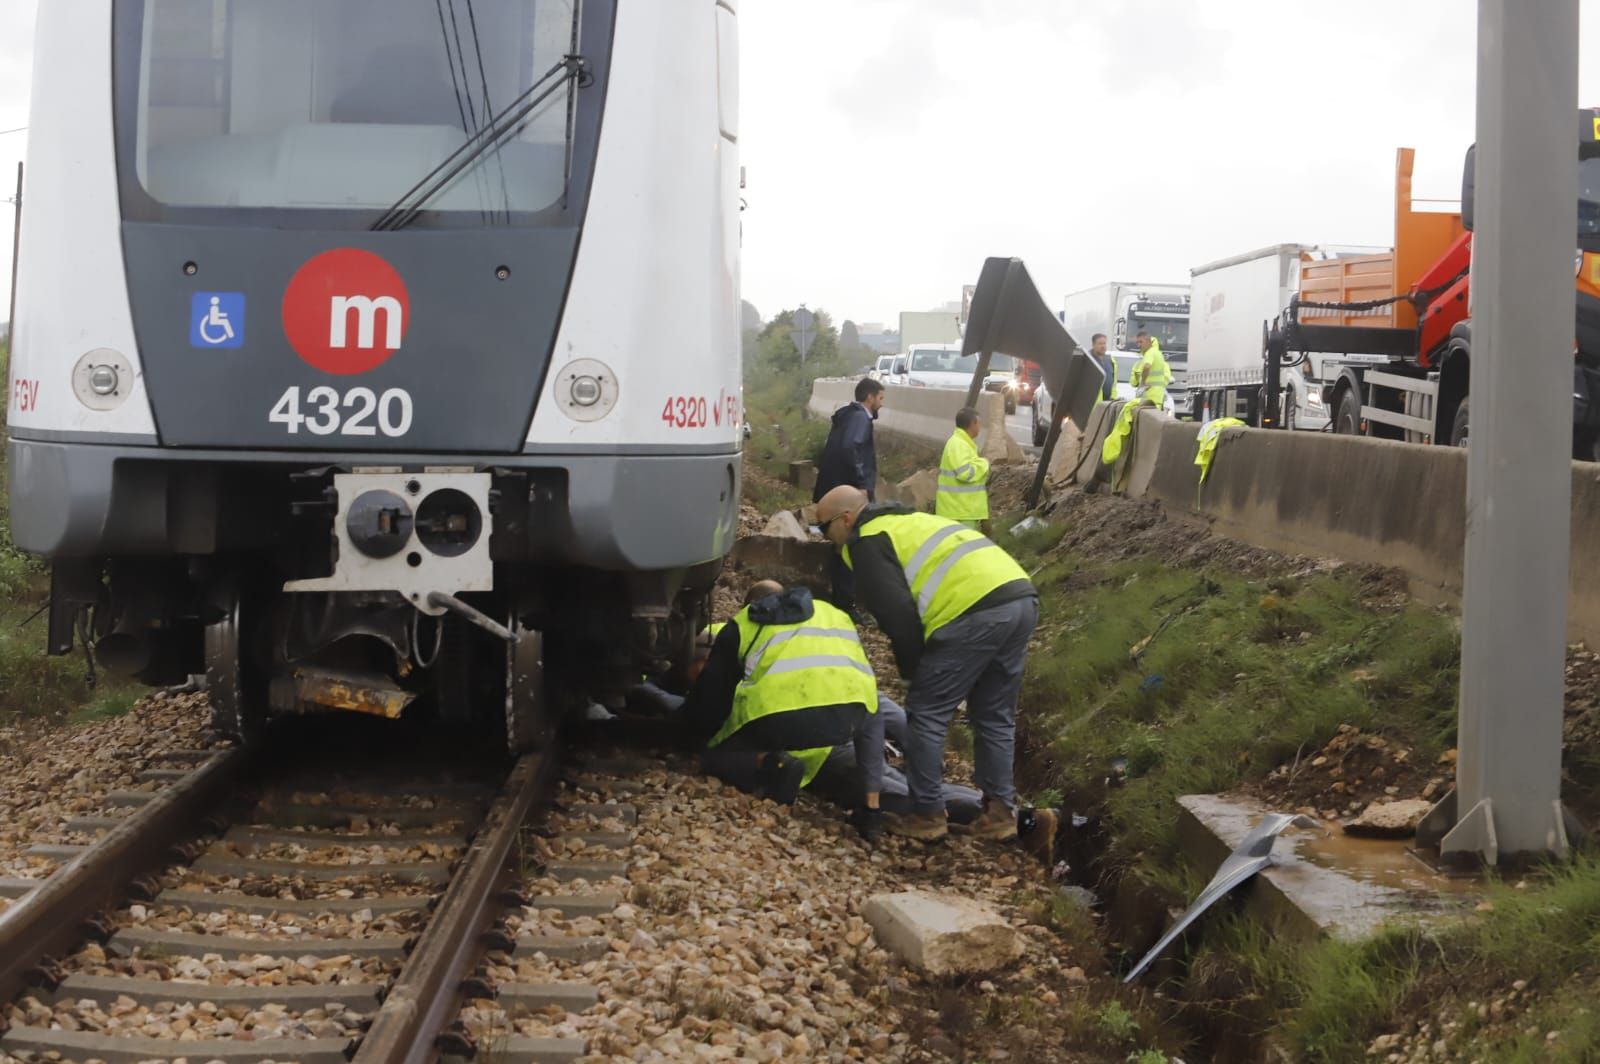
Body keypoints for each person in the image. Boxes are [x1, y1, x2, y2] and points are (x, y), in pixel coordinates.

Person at [815, 486, 1038, 842]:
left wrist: (913, 668)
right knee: (994, 715)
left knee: (926, 712)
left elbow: (897, 615)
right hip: (1019, 597)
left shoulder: (867, 540)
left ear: (846, 519)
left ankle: (928, 814)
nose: (824, 538)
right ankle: (1000, 814)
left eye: (823, 529)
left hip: (973, 610)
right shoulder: (910, 521)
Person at [678, 582, 886, 839]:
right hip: (852, 714)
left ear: (749, 604)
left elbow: (711, 702)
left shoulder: (744, 624)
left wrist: (691, 732)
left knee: (715, 756)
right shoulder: (834, 613)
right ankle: (871, 810)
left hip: (779, 719)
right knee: (872, 712)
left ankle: (771, 764)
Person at [814, 378, 885, 615]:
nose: (881, 404)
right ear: (870, 397)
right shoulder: (860, 418)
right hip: (850, 495)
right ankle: (846, 604)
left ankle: (842, 600)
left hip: (837, 492)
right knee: (850, 546)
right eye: (880, 398)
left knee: (840, 547)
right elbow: (851, 447)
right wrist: (862, 484)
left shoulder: (847, 416)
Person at [1101, 329, 1171, 465]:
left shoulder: (1150, 354)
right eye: (1137, 342)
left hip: (1151, 397)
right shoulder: (1157, 354)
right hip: (1156, 395)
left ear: (1149, 341)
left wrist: (1143, 384)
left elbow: (1147, 367)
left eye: (1141, 341)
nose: (1139, 344)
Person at [936, 408, 990, 531]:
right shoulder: (959, 445)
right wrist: (983, 464)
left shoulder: (962, 443)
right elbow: (965, 473)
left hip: (961, 511)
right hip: (959, 512)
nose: (980, 427)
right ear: (972, 424)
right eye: (979, 423)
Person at [1089, 333, 1116, 402]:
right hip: (1091, 403)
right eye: (1100, 344)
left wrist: (1113, 397)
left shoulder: (1111, 360)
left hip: (1107, 403)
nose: (1103, 346)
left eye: (1104, 343)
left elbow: (1114, 382)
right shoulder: (1088, 359)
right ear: (1093, 345)